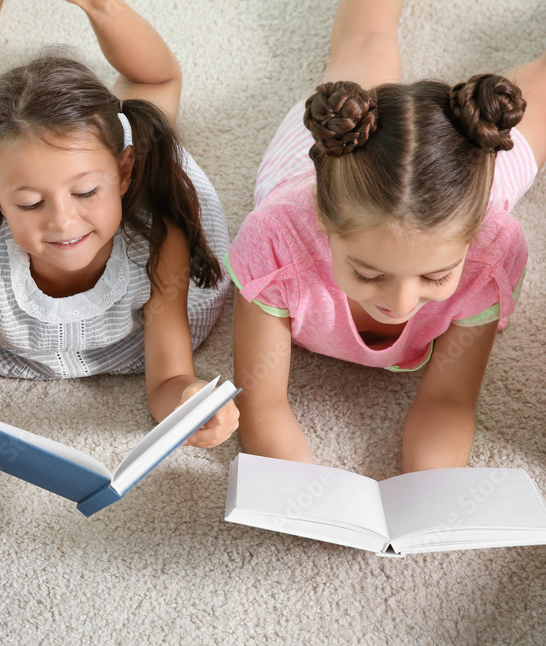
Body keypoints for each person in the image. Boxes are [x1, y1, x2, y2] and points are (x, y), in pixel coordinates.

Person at [0, 0, 239, 465]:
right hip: (16, 332)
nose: (62, 221)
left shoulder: (159, 243)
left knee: (156, 86)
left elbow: (166, 384)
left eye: (85, 192)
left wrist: (191, 401)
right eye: (31, 204)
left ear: (123, 173)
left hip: (129, 320)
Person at [229, 0, 546, 472]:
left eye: (435, 277)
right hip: (346, 140)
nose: (399, 304)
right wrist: (297, 496)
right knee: (366, 40)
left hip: (456, 188)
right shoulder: (277, 240)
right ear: (324, 226)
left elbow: (449, 403)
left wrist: (429, 496)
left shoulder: (492, 251)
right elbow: (261, 403)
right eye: (368, 273)